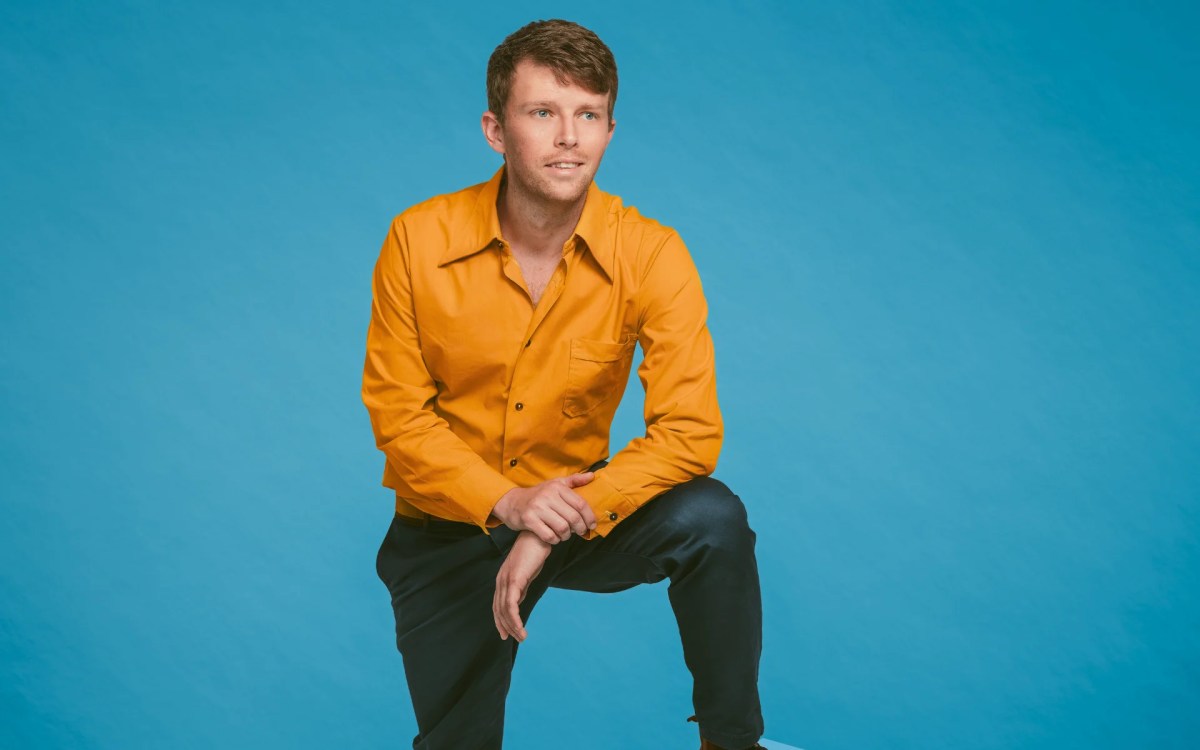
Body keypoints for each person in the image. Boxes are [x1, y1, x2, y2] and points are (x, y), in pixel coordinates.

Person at [363, 19, 765, 750]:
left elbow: (690, 432)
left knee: (713, 517)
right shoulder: (417, 240)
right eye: (543, 113)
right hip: (452, 526)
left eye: (588, 115)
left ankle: (733, 745)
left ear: (611, 129)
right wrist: (509, 504)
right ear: (496, 128)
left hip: (581, 517)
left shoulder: (653, 254)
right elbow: (399, 418)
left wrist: (550, 524)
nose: (569, 138)